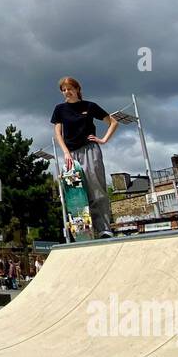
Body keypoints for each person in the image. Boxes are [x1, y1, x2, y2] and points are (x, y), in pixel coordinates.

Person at [51, 76, 118, 239]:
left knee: (96, 188)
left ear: (77, 89)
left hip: (90, 150)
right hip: (71, 154)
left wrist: (103, 139)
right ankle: (83, 230)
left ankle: (103, 228)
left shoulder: (89, 106)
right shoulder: (60, 109)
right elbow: (57, 133)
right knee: (76, 192)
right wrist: (66, 152)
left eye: (70, 89)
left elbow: (113, 122)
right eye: (64, 90)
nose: (67, 92)